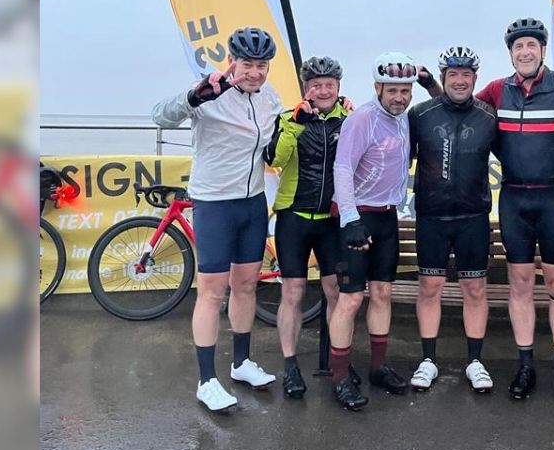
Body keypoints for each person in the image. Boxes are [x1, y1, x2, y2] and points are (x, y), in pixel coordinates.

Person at [152, 27, 283, 412]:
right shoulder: (210, 93)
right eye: (247, 64)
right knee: (212, 291)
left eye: (262, 66)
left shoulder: (270, 97)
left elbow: (275, 138)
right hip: (214, 204)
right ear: (232, 62)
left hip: (253, 202)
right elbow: (160, 115)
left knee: (246, 287)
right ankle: (207, 380)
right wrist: (193, 95)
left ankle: (241, 363)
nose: (255, 73)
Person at [475, 19, 554, 401]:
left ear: (543, 49)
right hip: (514, 200)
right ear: (510, 53)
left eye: (531, 45)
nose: (524, 52)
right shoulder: (497, 90)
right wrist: (430, 84)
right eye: (517, 47)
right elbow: (458, 110)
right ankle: (525, 364)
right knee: (521, 284)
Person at [326, 52, 438, 410]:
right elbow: (343, 169)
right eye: (392, 90)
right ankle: (340, 376)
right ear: (377, 88)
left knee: (382, 294)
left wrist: (429, 83)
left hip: (387, 217)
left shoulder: (405, 119)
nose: (400, 97)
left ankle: (377, 367)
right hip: (357, 217)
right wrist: (350, 218)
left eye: (405, 90)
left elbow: (447, 108)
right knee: (351, 298)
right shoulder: (362, 119)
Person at [407, 46, 499, 393]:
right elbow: (396, 153)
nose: (460, 81)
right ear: (444, 77)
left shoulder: (488, 116)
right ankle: (428, 360)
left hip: (473, 217)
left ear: (475, 79)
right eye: (453, 75)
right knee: (430, 287)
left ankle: (475, 361)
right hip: (432, 216)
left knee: (474, 288)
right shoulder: (420, 114)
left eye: (466, 75)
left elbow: (515, 153)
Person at [263, 56, 352, 399]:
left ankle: (337, 360)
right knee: (293, 292)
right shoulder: (288, 119)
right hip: (294, 217)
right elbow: (275, 160)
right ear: (306, 89)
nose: (323, 90)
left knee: (335, 293)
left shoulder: (350, 118)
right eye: (316, 85)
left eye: (330, 84)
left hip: (332, 220)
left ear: (338, 88)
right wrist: (296, 124)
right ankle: (290, 365)